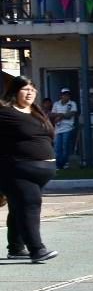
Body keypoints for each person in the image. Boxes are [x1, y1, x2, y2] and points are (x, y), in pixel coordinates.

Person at [0, 75, 58, 262]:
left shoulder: (35, 111)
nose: (30, 92)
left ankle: (16, 248)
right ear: (14, 91)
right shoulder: (5, 112)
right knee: (30, 204)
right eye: (25, 89)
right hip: (17, 169)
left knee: (18, 207)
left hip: (41, 171)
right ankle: (37, 249)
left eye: (33, 89)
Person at [50, 88, 78, 169]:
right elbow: (52, 114)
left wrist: (60, 116)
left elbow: (71, 114)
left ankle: (64, 163)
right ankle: (59, 165)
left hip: (68, 128)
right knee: (57, 148)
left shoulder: (72, 104)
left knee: (65, 147)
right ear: (61, 96)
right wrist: (62, 115)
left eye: (68, 95)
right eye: (64, 95)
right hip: (58, 129)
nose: (66, 96)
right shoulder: (56, 104)